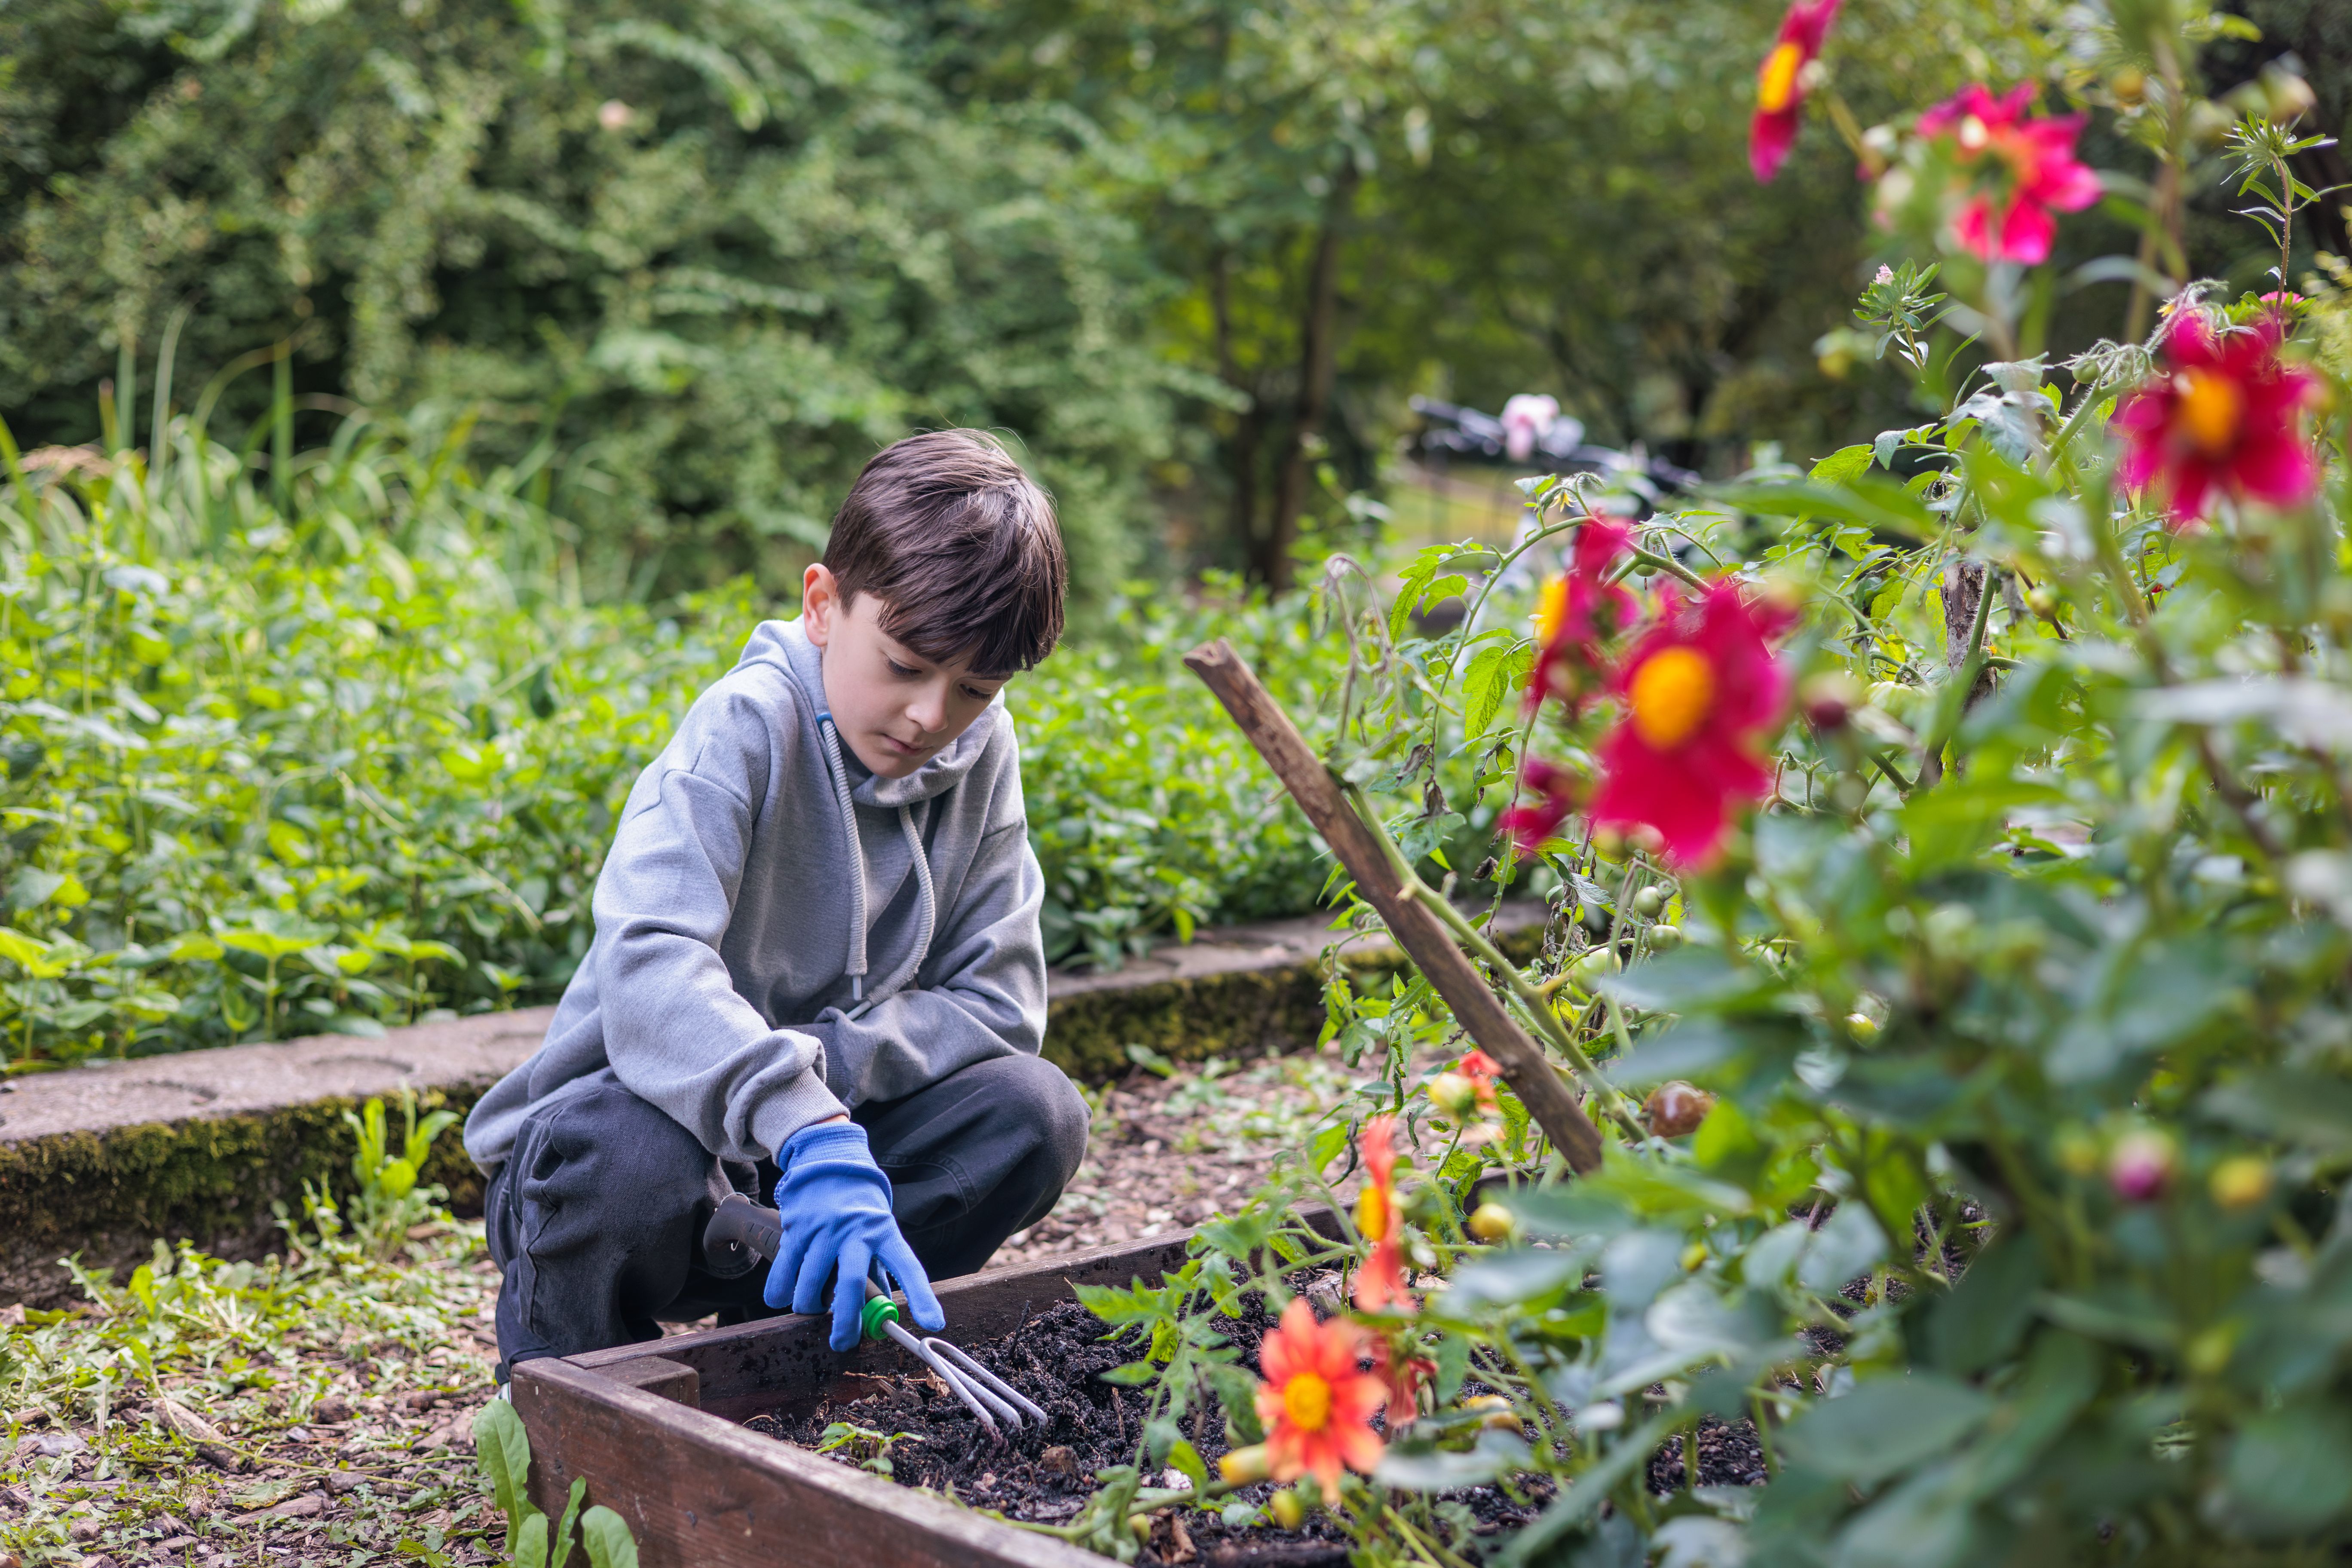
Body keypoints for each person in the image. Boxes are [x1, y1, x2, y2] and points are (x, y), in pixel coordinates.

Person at [462, 430, 1090, 1376]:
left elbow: (1001, 1007)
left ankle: (794, 1351)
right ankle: (568, 1392)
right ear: (823, 604)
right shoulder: (745, 724)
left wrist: (816, 1094)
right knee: (624, 1153)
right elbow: (648, 968)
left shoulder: (980, 749)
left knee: (1034, 1115)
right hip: (619, 1168)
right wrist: (804, 1117)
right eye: (906, 665)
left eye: (975, 686)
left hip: (808, 1170)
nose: (932, 716)